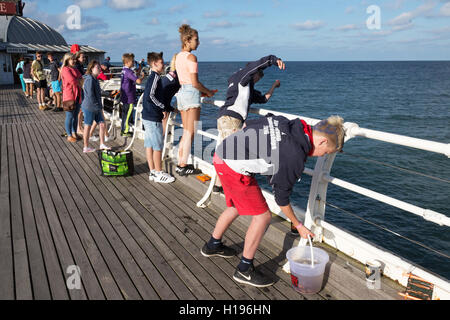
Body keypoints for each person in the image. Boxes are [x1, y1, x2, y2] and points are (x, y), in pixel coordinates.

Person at [201, 114, 346, 287]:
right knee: (263, 217)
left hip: (222, 154)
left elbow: (250, 124)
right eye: (326, 153)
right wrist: (298, 225)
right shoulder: (293, 157)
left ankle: (212, 245)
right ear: (322, 141)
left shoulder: (291, 124)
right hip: (233, 167)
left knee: (236, 206)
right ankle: (244, 269)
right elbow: (282, 199)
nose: (321, 156)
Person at [214, 55, 285, 193]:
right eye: (259, 77)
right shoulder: (243, 77)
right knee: (235, 155)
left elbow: (263, 99)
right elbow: (259, 64)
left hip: (225, 118)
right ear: (254, 73)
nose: (259, 80)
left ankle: (218, 185)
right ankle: (234, 189)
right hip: (231, 120)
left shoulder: (245, 87)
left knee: (225, 152)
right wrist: (274, 60)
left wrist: (274, 87)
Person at [175, 24, 216, 176]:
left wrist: (201, 91)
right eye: (196, 40)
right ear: (187, 40)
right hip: (191, 94)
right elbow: (195, 83)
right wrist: (209, 92)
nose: (198, 43)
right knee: (190, 132)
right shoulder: (191, 57)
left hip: (181, 93)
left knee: (186, 131)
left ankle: (180, 162)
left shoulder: (178, 56)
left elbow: (184, 80)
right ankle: (183, 164)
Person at [142, 52, 176, 183]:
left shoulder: (152, 77)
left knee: (149, 145)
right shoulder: (155, 77)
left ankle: (152, 171)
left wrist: (169, 108)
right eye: (162, 63)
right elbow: (150, 96)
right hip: (153, 117)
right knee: (157, 146)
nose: (164, 65)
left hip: (147, 115)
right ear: (155, 64)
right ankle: (159, 172)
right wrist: (162, 107)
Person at [81, 60, 110, 153]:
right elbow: (90, 95)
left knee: (102, 124)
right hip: (90, 106)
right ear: (91, 69)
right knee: (87, 126)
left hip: (97, 106)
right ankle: (86, 147)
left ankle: (102, 144)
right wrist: (96, 105)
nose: (99, 69)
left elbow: (98, 91)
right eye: (97, 67)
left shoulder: (95, 79)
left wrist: (108, 94)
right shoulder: (89, 79)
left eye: (99, 67)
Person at [120, 52, 144, 137]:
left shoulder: (124, 70)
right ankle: (125, 131)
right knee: (128, 114)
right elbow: (138, 81)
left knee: (124, 114)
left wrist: (137, 73)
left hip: (124, 96)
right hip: (129, 97)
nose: (133, 62)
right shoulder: (129, 72)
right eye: (132, 61)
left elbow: (132, 77)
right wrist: (143, 77)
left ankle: (123, 130)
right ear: (127, 62)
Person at [61, 53, 83, 143]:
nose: (74, 61)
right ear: (67, 60)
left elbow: (82, 78)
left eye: (74, 59)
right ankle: (69, 135)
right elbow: (72, 81)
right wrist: (79, 80)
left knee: (75, 116)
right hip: (69, 96)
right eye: (72, 59)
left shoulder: (75, 69)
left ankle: (74, 132)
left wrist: (78, 80)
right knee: (69, 116)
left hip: (77, 95)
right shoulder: (65, 69)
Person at [74, 51, 86, 136]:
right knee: (80, 110)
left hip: (81, 88)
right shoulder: (77, 67)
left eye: (84, 57)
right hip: (79, 89)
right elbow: (79, 78)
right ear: (78, 58)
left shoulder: (80, 66)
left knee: (81, 110)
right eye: (82, 57)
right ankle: (78, 127)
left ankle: (80, 126)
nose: (84, 58)